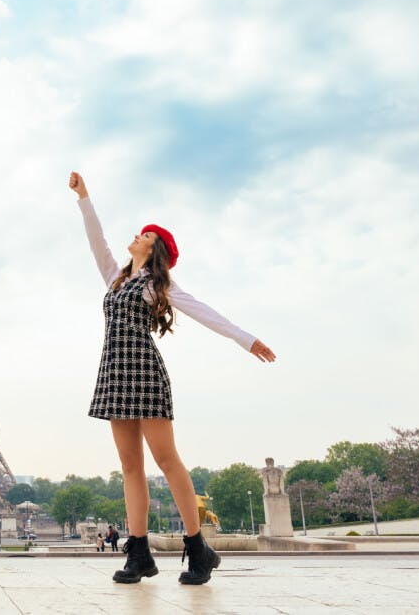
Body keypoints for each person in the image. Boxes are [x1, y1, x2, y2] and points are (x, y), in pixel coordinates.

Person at [67, 172, 277, 586]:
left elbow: (205, 312)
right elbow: (97, 242)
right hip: (113, 372)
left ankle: (198, 548)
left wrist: (246, 339)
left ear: (155, 246)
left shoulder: (160, 284)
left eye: (144, 234)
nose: (137, 235)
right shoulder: (117, 277)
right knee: (130, 466)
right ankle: (139, 552)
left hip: (144, 372)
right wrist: (84, 198)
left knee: (166, 460)